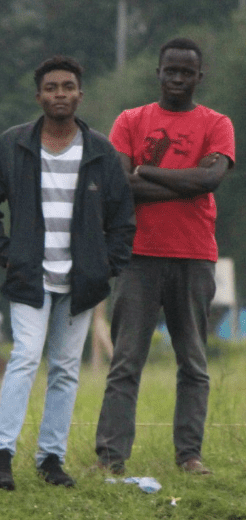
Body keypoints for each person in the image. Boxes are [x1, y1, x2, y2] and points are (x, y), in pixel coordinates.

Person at [0, 56, 136, 490]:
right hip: (30, 276)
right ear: (38, 95)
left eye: (67, 87)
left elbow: (123, 218)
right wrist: (4, 253)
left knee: (65, 367)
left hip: (81, 280)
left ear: (80, 94)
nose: (59, 94)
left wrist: (108, 266)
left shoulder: (101, 150)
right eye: (51, 87)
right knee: (25, 357)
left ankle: (51, 460)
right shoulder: (14, 144)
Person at [94, 38, 235, 476]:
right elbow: (120, 187)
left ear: (199, 76)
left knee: (193, 362)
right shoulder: (130, 121)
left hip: (195, 257)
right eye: (170, 70)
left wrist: (150, 171)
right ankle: (111, 457)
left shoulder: (217, 123)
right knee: (125, 362)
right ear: (158, 71)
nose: (177, 79)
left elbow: (210, 180)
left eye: (186, 72)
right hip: (139, 256)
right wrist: (184, 182)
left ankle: (190, 455)